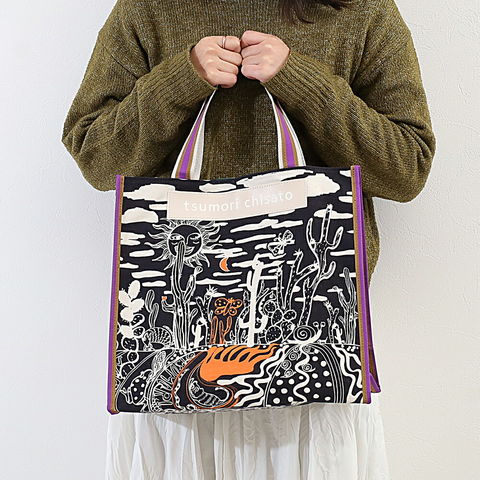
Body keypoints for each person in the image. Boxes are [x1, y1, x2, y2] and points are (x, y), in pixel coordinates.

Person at [61, 0, 436, 478]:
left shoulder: (361, 11)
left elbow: (406, 169)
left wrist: (299, 80)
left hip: (314, 364)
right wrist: (181, 79)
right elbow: (96, 157)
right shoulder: (147, 10)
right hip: (175, 382)